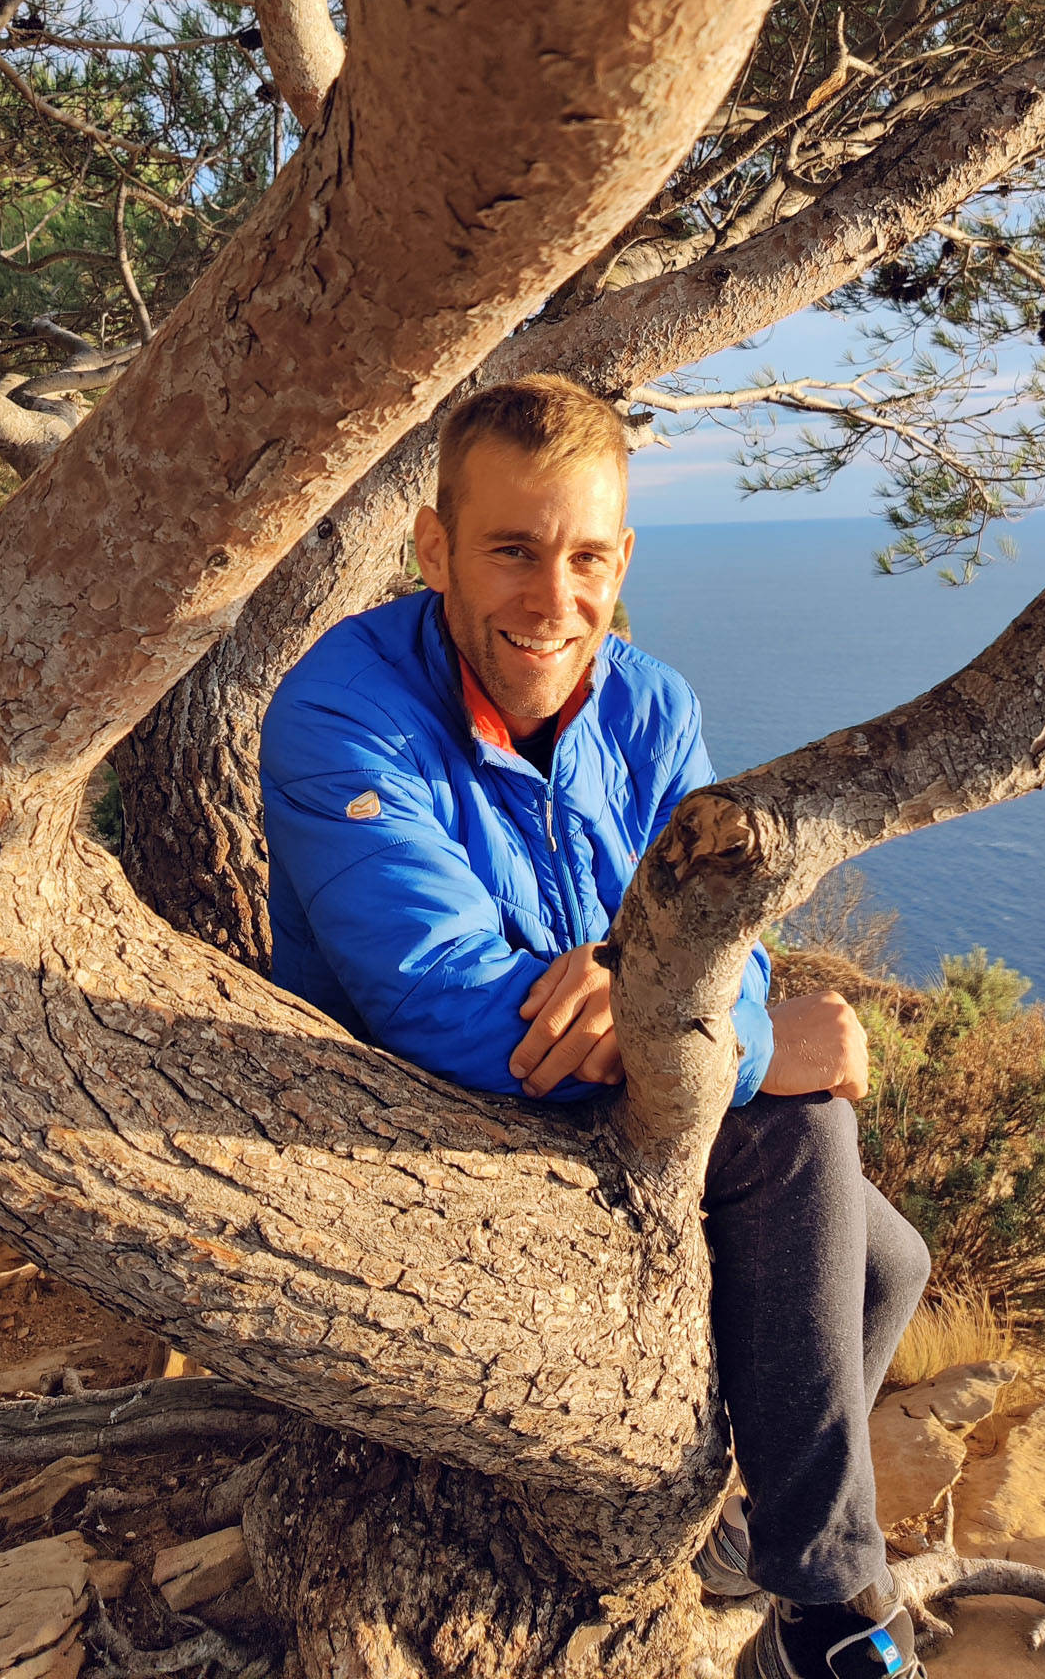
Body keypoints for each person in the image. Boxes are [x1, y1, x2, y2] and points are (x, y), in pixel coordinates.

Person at [260, 376, 931, 1679]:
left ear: (621, 560)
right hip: (429, 1108)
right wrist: (734, 1035)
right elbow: (435, 995)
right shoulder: (342, 715)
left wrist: (666, 996)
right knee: (797, 1133)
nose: (551, 598)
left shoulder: (650, 705)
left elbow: (725, 937)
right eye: (511, 550)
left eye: (583, 559)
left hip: (608, 1080)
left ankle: (743, 1539)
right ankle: (832, 1611)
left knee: (888, 1267)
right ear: (435, 548)